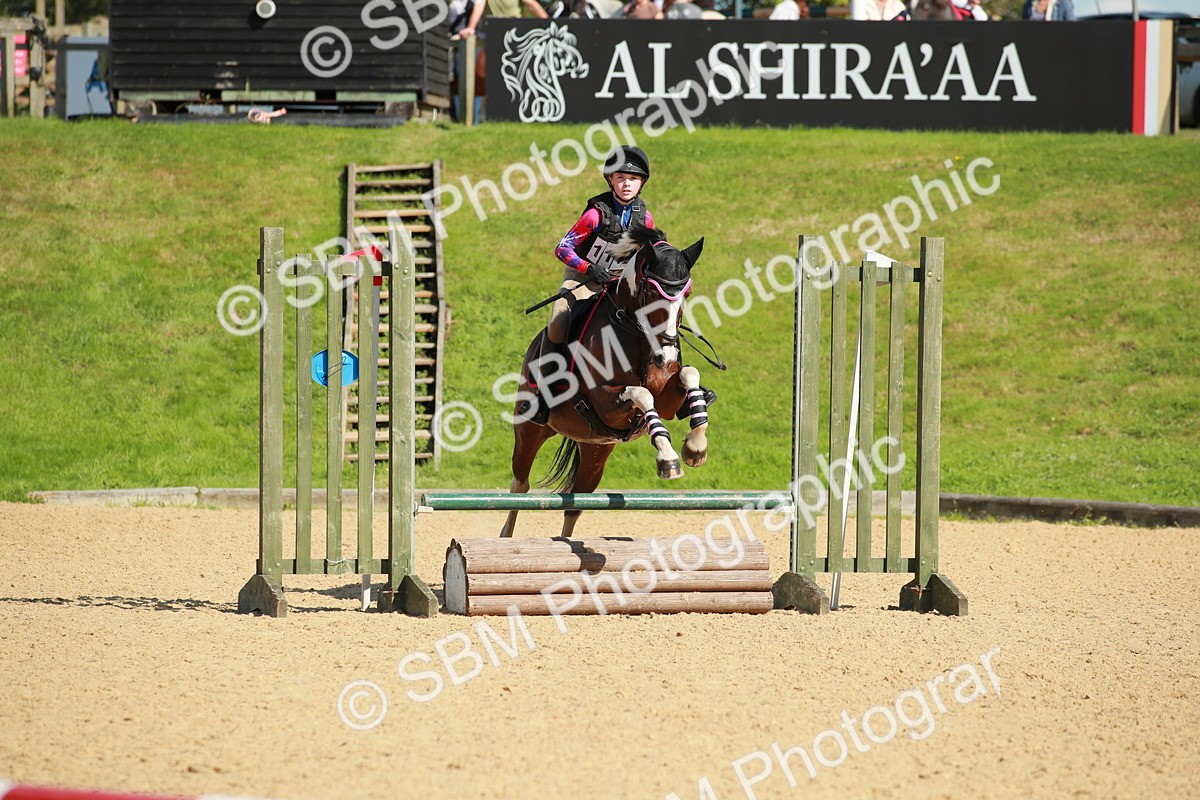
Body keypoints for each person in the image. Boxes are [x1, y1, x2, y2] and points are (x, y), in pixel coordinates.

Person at [529, 147, 656, 425]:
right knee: (560, 318)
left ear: (641, 183)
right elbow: (563, 248)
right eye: (620, 177)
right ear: (610, 180)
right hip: (582, 278)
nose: (626, 183)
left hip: (618, 284)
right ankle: (544, 392)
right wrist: (589, 268)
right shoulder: (596, 214)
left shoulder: (644, 218)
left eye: (633, 179)